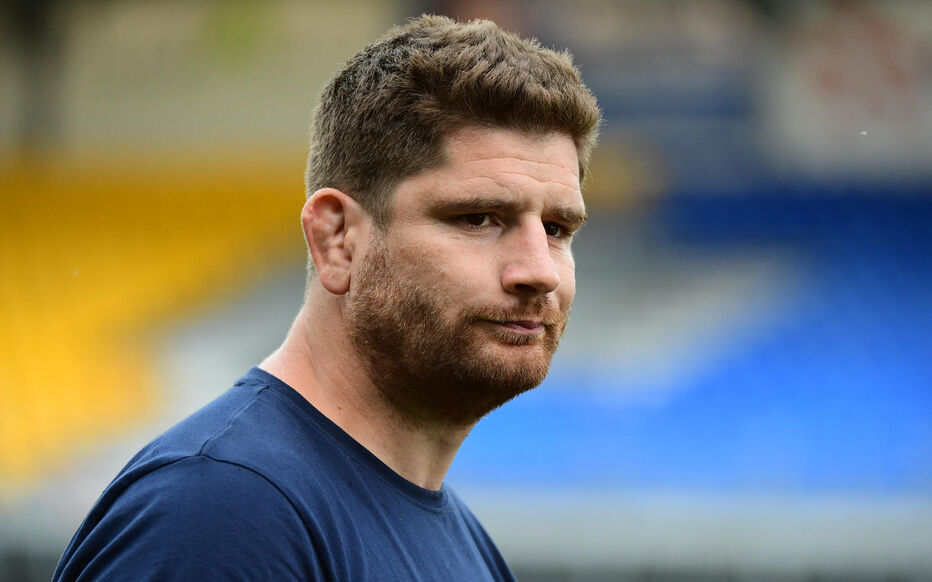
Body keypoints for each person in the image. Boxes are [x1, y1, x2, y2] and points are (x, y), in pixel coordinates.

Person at [53, 14, 600, 581]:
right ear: (337, 238)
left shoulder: (467, 546)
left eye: (557, 229)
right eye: (478, 217)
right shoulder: (220, 512)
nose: (540, 272)